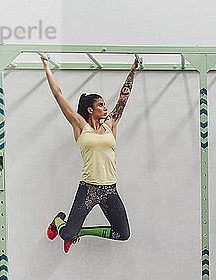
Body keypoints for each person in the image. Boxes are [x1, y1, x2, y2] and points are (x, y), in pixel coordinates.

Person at [41, 53, 141, 252]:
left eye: (105, 105)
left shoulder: (111, 124)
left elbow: (124, 96)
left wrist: (133, 69)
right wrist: (46, 65)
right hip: (88, 189)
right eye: (101, 105)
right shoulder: (80, 125)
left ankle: (80, 231)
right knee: (67, 234)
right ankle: (59, 222)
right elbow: (58, 95)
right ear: (89, 109)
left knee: (123, 233)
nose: (105, 108)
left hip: (109, 190)